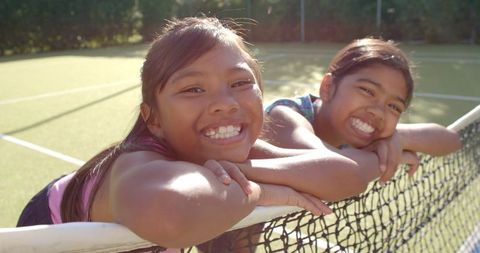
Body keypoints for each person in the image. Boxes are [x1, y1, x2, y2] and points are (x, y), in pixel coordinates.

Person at [16, 17, 387, 253]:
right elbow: (170, 217)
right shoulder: (137, 162)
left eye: (241, 83)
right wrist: (260, 192)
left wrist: (244, 169)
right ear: (153, 118)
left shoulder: (233, 148)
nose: (225, 103)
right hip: (50, 225)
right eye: (193, 89)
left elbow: (348, 176)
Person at [261, 38, 461, 184]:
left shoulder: (359, 130)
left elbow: (451, 140)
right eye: (367, 90)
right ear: (328, 87)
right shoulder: (283, 117)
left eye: (393, 106)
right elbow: (339, 172)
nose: (378, 112)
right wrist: (386, 160)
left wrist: (398, 137)